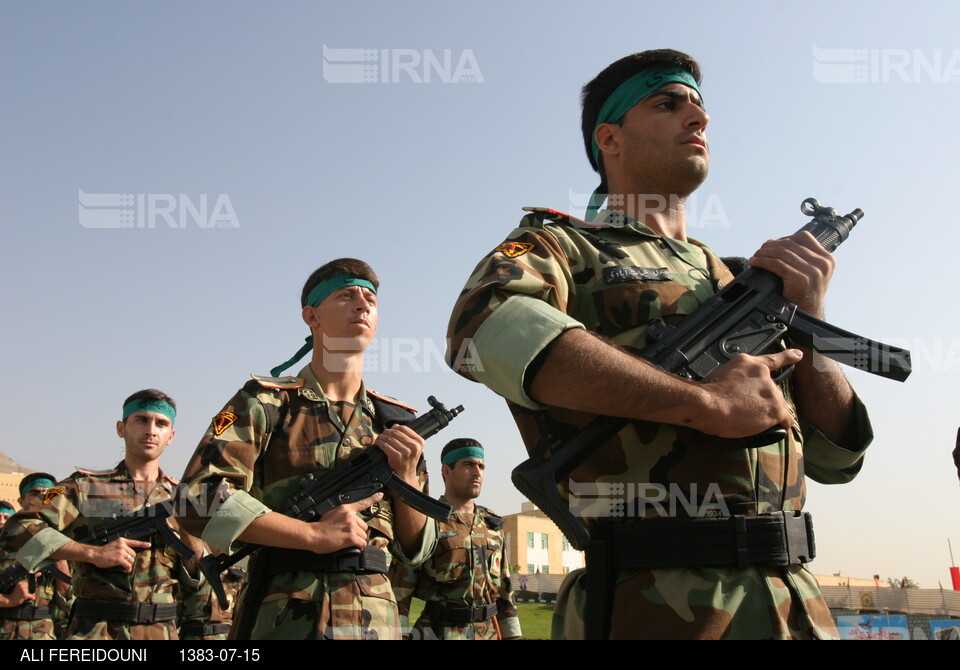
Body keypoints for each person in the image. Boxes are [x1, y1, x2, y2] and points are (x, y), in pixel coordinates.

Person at [446, 49, 873, 640]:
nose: (696, 119)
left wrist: (811, 321)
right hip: (646, 600)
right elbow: (480, 327)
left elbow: (836, 460)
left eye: (699, 108)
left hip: (790, 599)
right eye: (666, 105)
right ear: (610, 138)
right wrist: (702, 403)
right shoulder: (556, 245)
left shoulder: (735, 278)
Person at [178, 258, 437, 640]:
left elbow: (417, 548)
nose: (362, 304)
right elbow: (197, 499)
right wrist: (311, 536)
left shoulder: (394, 421)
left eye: (370, 298)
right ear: (311, 316)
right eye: (346, 295)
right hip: (282, 614)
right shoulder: (266, 403)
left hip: (376, 620)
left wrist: (407, 478)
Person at [0, 390, 204, 640]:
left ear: (171, 436)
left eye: (161, 423)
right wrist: (91, 552)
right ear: (121, 428)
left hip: (163, 630)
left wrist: (190, 533)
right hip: (98, 631)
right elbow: (16, 530)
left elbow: (198, 577)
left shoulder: (180, 495)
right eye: (141, 420)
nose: (151, 430)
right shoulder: (83, 487)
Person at [391, 438, 520, 640]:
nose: (477, 472)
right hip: (438, 631)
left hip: (488, 632)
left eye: (481, 466)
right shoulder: (425, 521)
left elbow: (505, 587)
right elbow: (401, 590)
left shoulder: (491, 524)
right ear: (446, 471)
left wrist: (512, 634)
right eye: (468, 464)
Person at [0, 473, 72, 640]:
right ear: (21, 501)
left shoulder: (69, 544)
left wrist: (60, 557)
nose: (42, 497)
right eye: (34, 493)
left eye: (48, 494)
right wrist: (8, 600)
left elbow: (70, 602)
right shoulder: (4, 542)